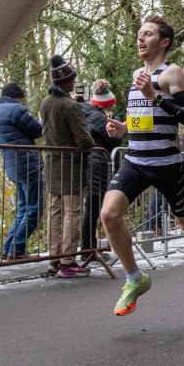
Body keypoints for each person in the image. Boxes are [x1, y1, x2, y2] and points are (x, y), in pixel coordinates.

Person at [101, 16, 184, 316]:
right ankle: (134, 279)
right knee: (109, 214)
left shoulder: (172, 73)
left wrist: (155, 96)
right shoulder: (137, 73)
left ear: (163, 42)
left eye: (148, 34)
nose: (140, 39)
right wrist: (123, 127)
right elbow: (142, 114)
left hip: (167, 163)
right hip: (136, 160)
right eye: (139, 34)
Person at [40, 54, 95, 278]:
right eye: (72, 78)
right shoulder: (71, 106)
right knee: (72, 212)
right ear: (67, 81)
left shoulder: (45, 102)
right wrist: (93, 144)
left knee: (55, 212)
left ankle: (54, 259)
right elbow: (83, 140)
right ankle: (68, 261)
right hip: (71, 166)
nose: (74, 81)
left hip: (51, 164)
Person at [0, 82, 43, 261]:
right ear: (17, 96)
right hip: (27, 162)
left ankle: (8, 249)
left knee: (23, 208)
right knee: (34, 208)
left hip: (12, 165)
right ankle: (18, 249)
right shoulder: (16, 110)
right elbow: (37, 130)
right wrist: (44, 120)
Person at [81, 79, 124, 259]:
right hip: (97, 164)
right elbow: (115, 140)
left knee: (93, 207)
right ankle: (88, 249)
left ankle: (90, 247)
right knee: (93, 207)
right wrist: (120, 122)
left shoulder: (85, 111)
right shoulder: (98, 118)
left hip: (94, 163)